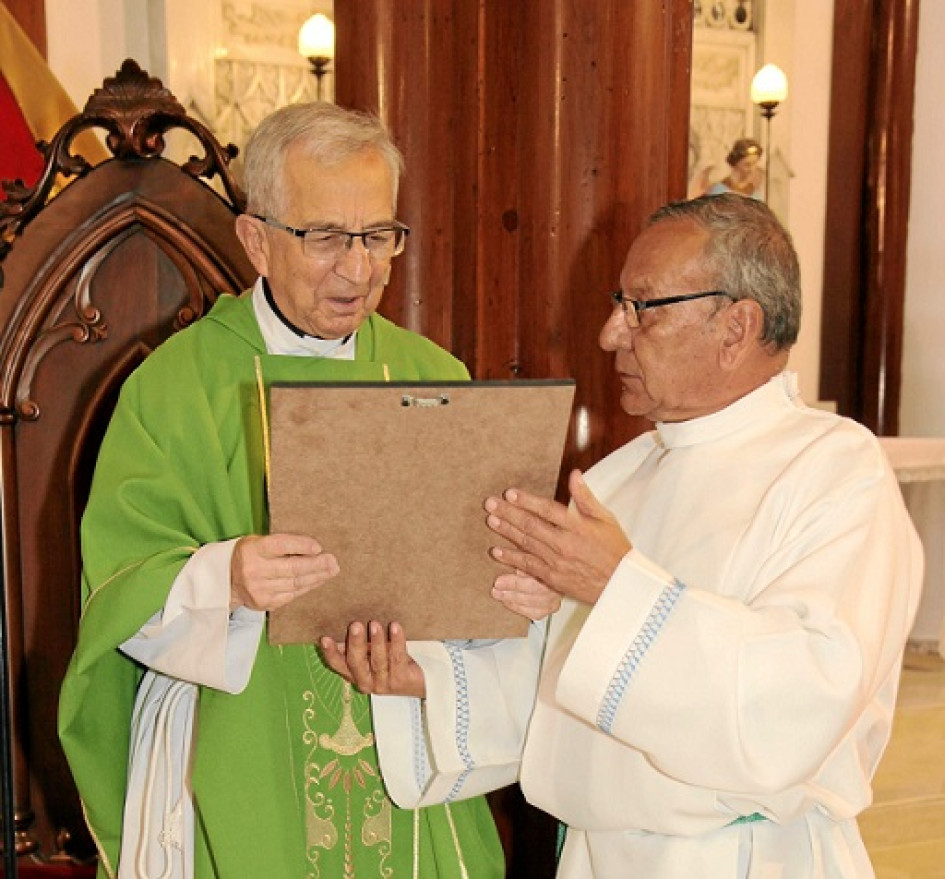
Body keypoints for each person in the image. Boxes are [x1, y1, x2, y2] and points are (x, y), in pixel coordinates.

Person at [58, 102, 546, 879]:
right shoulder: (173, 388)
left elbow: (486, 597)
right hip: (241, 747)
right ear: (256, 239)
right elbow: (119, 591)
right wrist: (227, 575)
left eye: (378, 235)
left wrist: (513, 580)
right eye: (324, 237)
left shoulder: (436, 377)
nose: (358, 269)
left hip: (405, 753)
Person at [484, 193, 923, 877]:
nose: (609, 334)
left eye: (641, 308)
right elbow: (559, 691)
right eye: (617, 303)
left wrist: (615, 585)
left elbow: (799, 702)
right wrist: (426, 678)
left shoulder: (835, 469)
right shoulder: (615, 477)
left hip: (743, 856)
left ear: (735, 326)